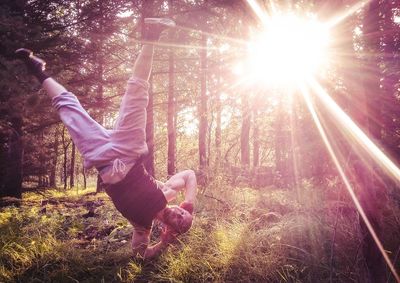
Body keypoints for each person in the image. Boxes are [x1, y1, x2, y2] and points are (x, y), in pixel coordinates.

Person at [15, 18, 197, 260]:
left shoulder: (142, 226)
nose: (180, 216)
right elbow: (189, 175)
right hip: (129, 148)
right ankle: (152, 34)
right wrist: (191, 203)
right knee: (137, 90)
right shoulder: (168, 192)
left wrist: (163, 244)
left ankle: (36, 69)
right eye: (184, 215)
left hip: (102, 157)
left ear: (170, 229)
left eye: (181, 222)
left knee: (69, 110)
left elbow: (140, 255)